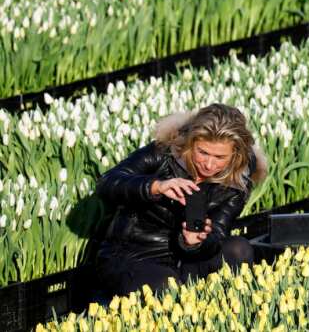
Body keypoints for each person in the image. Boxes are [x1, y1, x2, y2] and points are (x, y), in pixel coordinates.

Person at [94, 103, 268, 298]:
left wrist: (196, 242)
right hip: (134, 254)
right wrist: (156, 186)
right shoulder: (165, 153)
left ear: (235, 154)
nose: (209, 164)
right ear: (190, 142)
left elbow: (218, 233)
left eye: (220, 157)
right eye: (202, 152)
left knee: (239, 249)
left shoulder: (237, 180)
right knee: (167, 286)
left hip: (186, 258)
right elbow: (107, 183)